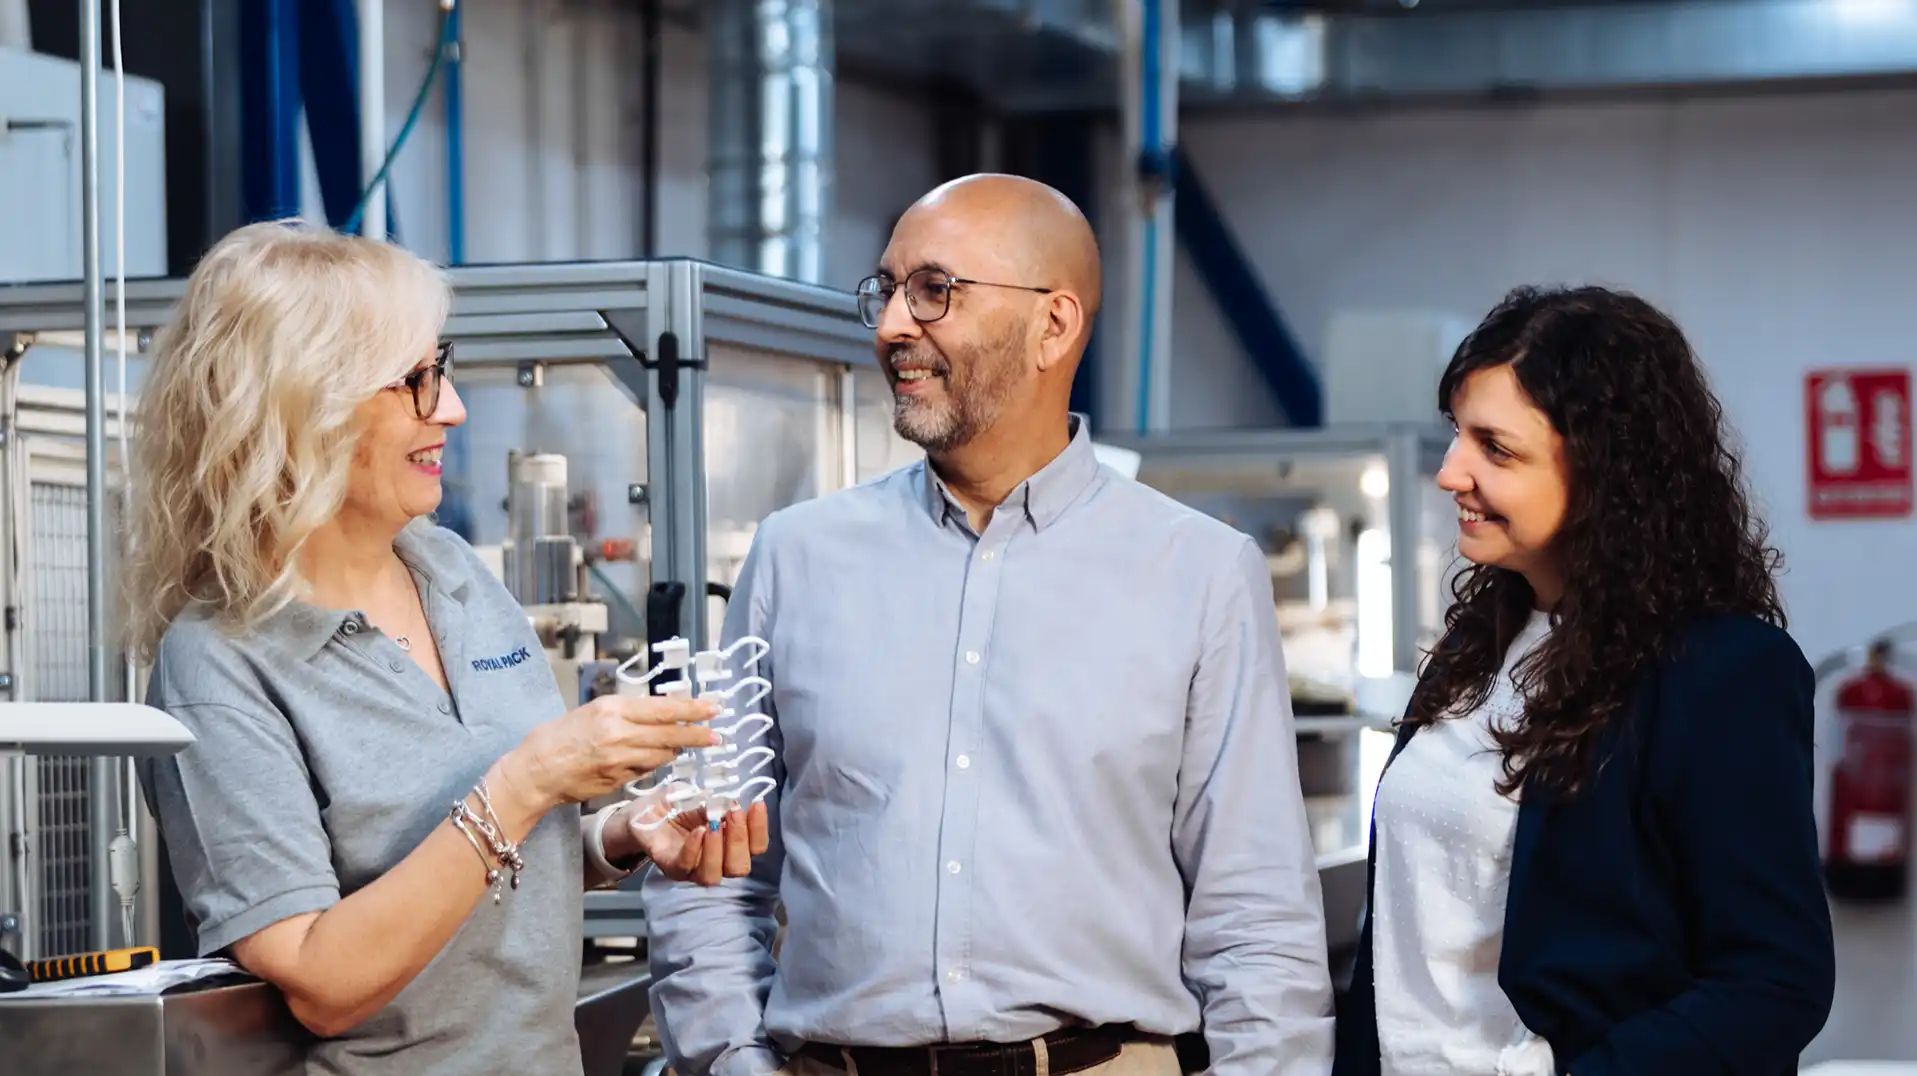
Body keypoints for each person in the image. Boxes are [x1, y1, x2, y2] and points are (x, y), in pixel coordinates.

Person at [643, 174, 1335, 1076]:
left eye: (933, 291)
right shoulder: (796, 557)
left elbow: (1256, 917)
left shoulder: (1198, 572)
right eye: (886, 290)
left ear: (1053, 325)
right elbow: (710, 865)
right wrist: (731, 1059)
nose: (893, 325)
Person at [125, 220, 767, 1075]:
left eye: (444, 367)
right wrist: (528, 779)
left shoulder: (455, 573)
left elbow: (490, 870)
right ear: (299, 408)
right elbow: (320, 979)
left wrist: (617, 832)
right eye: (415, 381)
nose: (453, 407)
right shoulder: (219, 660)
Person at [1331, 286, 1837, 1076]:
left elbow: (1773, 982)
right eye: (1456, 435)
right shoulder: (1476, 650)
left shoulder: (1721, 671)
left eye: (1494, 449)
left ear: (1607, 472)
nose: (1449, 473)